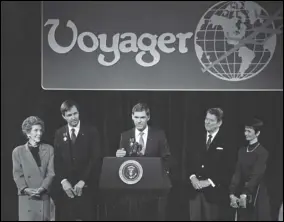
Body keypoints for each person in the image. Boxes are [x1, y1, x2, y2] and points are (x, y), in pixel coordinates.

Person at [115, 102, 171, 220]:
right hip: (132, 190)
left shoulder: (159, 135)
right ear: (132, 117)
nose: (139, 121)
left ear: (148, 117)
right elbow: (122, 165)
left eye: (142, 117)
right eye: (136, 117)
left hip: (153, 190)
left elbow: (166, 158)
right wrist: (119, 156)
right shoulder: (125, 136)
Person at [53, 100, 102, 221]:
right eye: (69, 115)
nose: (73, 117)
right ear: (64, 116)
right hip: (67, 189)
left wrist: (83, 181)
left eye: (75, 113)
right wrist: (64, 181)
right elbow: (57, 160)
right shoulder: (59, 133)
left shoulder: (92, 131)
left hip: (87, 187)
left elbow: (95, 159)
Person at [187, 108, 235, 221]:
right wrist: (192, 177)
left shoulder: (227, 142)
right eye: (206, 119)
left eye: (211, 120)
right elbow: (187, 161)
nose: (207, 122)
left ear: (219, 123)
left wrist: (209, 181)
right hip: (194, 192)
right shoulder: (196, 138)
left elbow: (229, 168)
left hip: (214, 194)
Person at [12, 116, 55, 221]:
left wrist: (42, 188)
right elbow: (17, 174)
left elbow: (51, 173)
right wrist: (26, 189)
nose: (39, 133)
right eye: (35, 130)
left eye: (41, 130)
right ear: (28, 133)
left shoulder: (49, 149)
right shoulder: (18, 151)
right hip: (27, 197)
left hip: (44, 195)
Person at [229, 118, 271, 221]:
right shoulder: (242, 151)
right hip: (243, 191)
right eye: (245, 131)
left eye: (249, 131)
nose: (246, 133)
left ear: (257, 133)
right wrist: (232, 192)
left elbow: (256, 175)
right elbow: (237, 173)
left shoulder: (262, 152)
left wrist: (245, 193)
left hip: (257, 193)